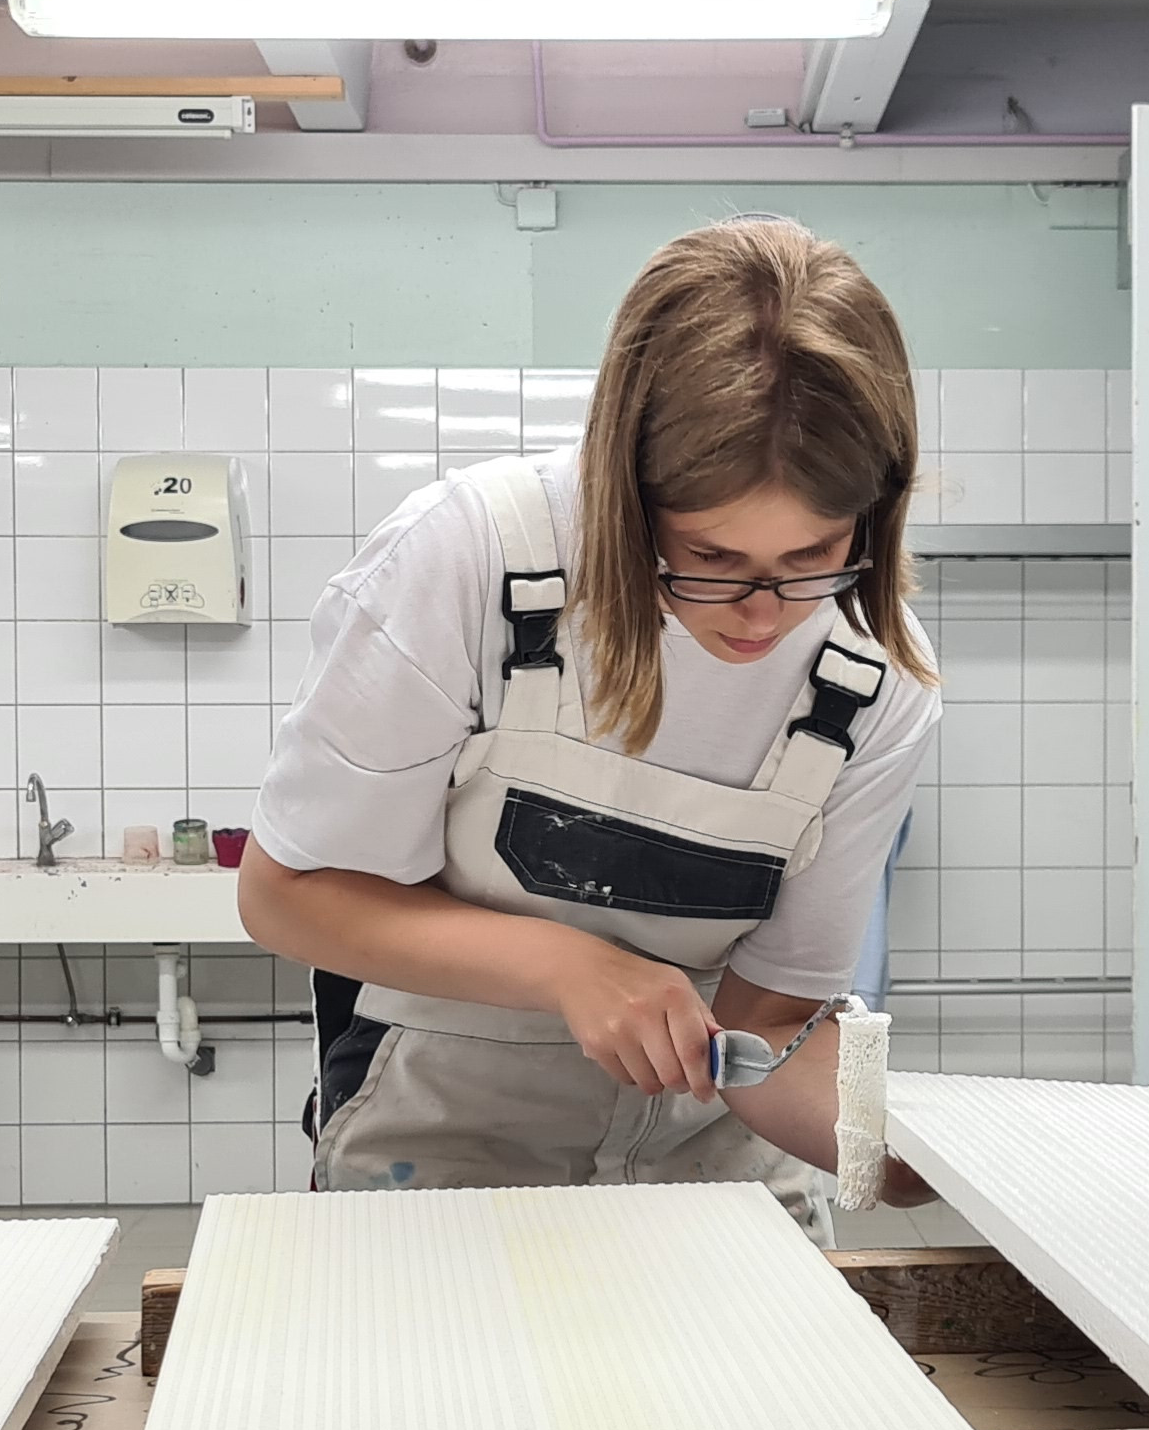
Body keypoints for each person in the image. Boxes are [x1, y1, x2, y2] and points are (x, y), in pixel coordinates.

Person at [240, 216, 940, 1203]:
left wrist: (901, 1154)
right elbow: (286, 896)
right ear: (624, 492)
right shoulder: (470, 561)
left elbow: (772, 1023)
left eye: (813, 557)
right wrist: (569, 968)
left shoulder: (875, 673)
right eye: (710, 558)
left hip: (711, 1157)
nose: (763, 614)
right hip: (440, 1133)